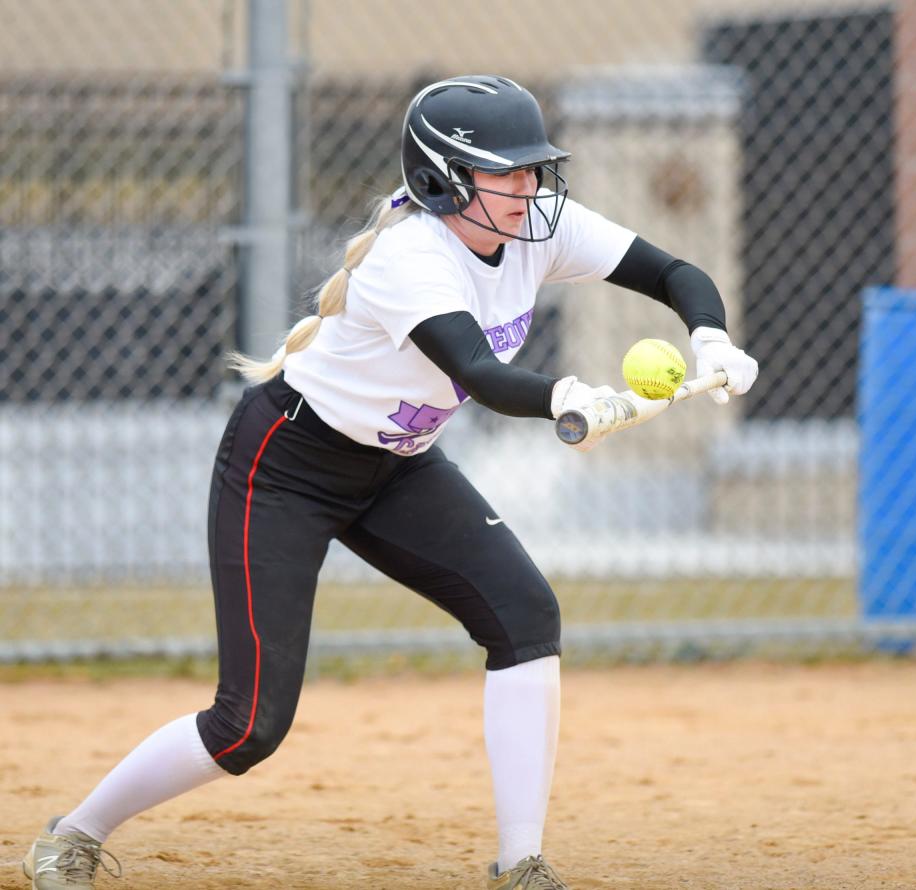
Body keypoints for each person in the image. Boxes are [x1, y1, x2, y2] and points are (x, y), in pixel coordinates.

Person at [22, 74, 758, 890]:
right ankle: (73, 835)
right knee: (249, 726)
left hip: (399, 464)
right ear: (442, 179)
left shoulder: (535, 227)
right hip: (287, 465)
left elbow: (675, 272)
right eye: (505, 171)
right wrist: (568, 397)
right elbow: (475, 371)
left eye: (533, 168)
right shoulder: (412, 255)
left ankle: (523, 865)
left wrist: (712, 339)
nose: (528, 186)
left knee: (525, 614)